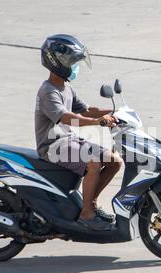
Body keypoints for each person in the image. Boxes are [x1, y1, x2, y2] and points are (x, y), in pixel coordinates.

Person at [35, 34, 123, 231]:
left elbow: (86, 109)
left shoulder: (65, 88)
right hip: (52, 146)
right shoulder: (49, 91)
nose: (76, 67)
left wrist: (116, 113)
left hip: (69, 141)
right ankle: (87, 215)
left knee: (115, 161)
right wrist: (96, 122)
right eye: (73, 62)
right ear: (58, 62)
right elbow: (66, 117)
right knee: (93, 162)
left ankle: (90, 204)